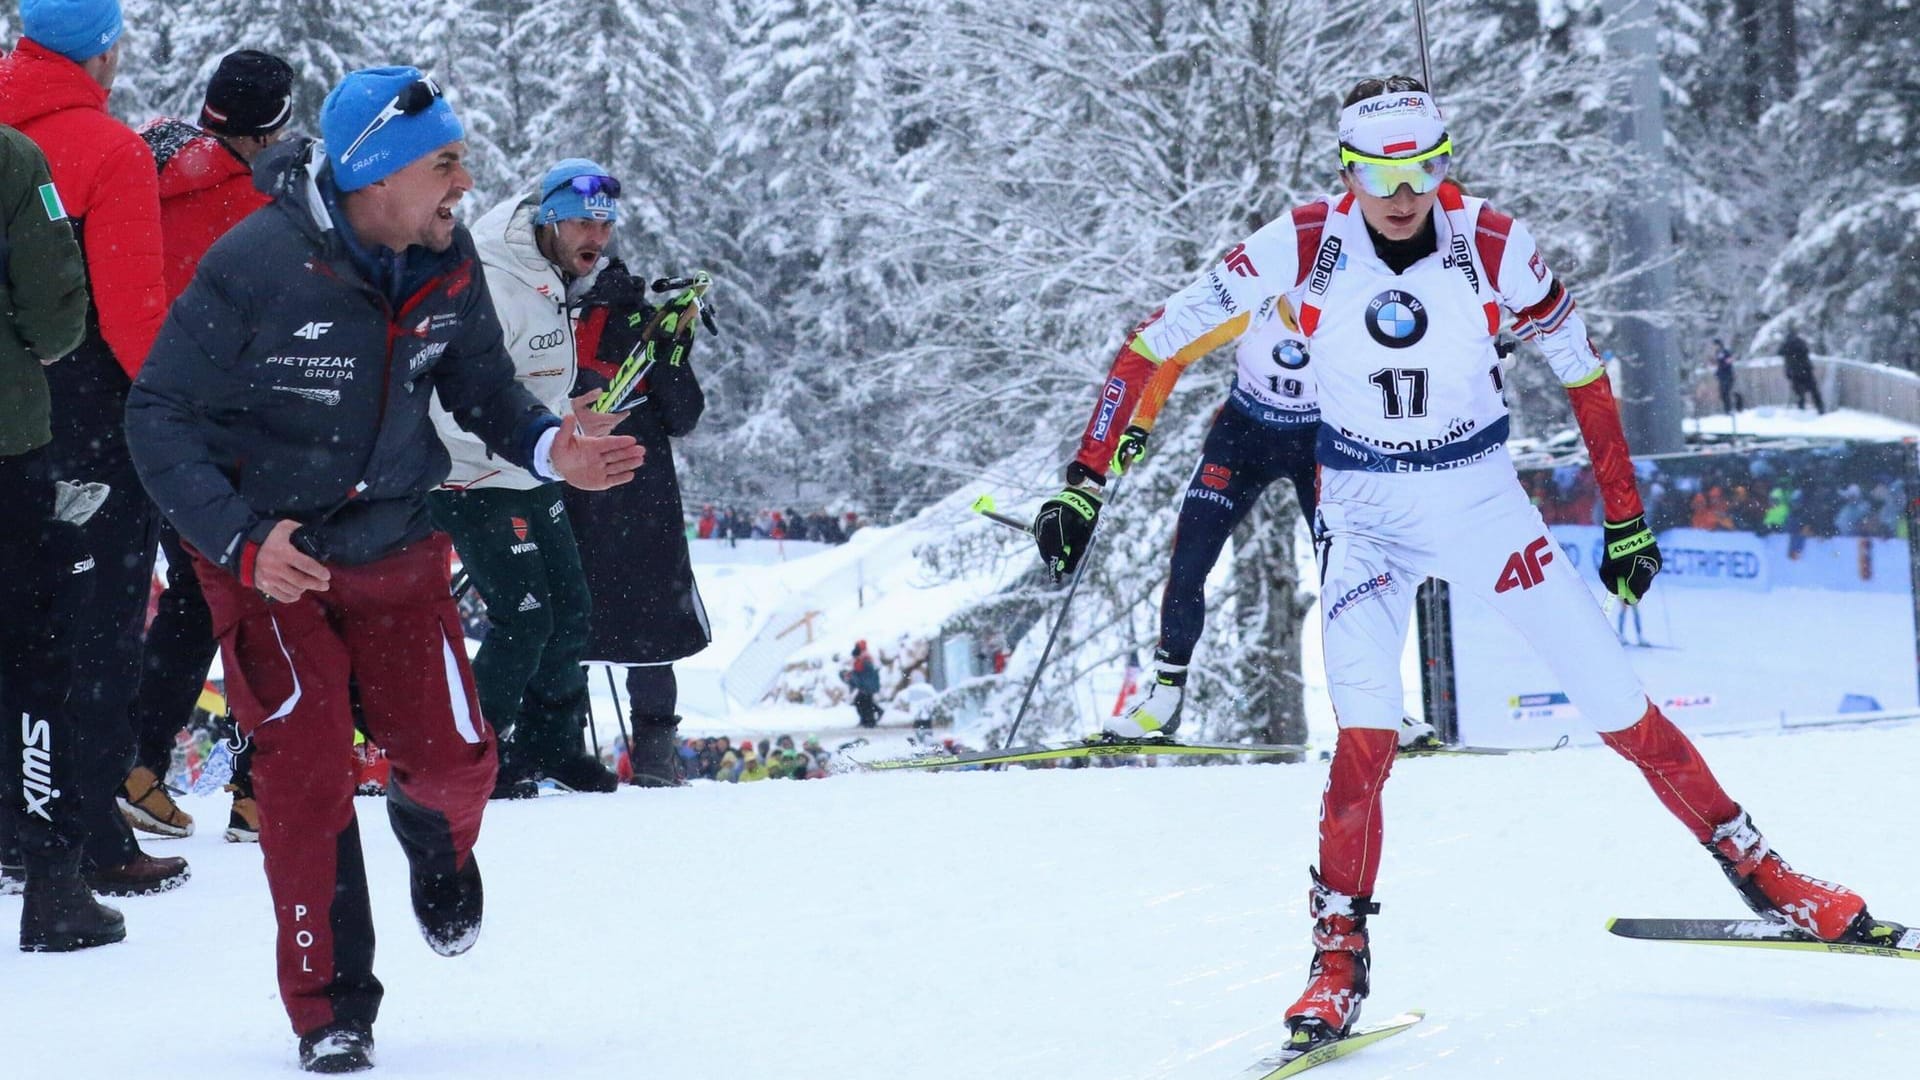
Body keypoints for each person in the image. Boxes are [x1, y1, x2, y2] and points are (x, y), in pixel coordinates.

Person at [1035, 75, 1880, 1053]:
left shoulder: (1492, 245)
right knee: (1362, 744)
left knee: (1623, 711)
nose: (1403, 193)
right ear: (1348, 171)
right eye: (1380, 173)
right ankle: (1337, 960)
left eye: (1424, 169)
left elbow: (1584, 372)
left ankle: (1768, 880)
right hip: (1366, 516)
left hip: (1483, 507)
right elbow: (1153, 345)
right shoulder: (1302, 243)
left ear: (1447, 162)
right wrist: (1084, 479)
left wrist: (1626, 519)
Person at [124, 65, 645, 1073]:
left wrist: (553, 450)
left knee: (460, 762)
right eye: (446, 162)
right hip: (275, 565)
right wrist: (239, 539)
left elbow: (486, 389)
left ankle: (427, 825)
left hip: (399, 544)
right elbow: (158, 414)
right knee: (307, 776)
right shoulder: (256, 264)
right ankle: (330, 1012)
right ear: (378, 174)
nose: (465, 182)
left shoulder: (445, 263)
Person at [0, 0, 189, 898]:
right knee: (98, 621)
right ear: (104, 52)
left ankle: (14, 817)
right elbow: (132, 312)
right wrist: (178, 410)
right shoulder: (108, 148)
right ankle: (84, 827)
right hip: (80, 412)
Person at [123, 47, 296, 845]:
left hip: (139, 413)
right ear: (266, 132)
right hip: (231, 428)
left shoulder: (147, 159)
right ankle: (260, 786)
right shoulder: (255, 208)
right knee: (260, 594)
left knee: (182, 600)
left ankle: (137, 760)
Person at [428, 157, 632, 798]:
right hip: (472, 474)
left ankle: (552, 748)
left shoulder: (551, 275)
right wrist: (541, 433)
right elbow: (447, 398)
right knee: (526, 618)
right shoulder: (494, 279)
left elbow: (530, 380)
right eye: (579, 223)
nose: (594, 239)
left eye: (604, 224)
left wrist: (571, 416)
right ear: (547, 220)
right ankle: (480, 755)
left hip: (529, 468)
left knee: (571, 611)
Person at [0, 120, 127, 950]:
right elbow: (55, 316)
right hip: (6, 438)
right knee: (31, 656)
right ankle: (48, 876)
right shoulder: (14, 160)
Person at [1089, 293, 1322, 737]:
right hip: (1243, 439)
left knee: (1348, 568)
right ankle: (1164, 697)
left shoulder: (1351, 318)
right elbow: (1173, 355)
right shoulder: (1259, 308)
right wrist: (1140, 425)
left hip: (1317, 441)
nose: (1313, 312)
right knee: (1189, 560)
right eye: (1305, 298)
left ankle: (1379, 705)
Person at [566, 247, 713, 787]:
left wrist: (671, 353)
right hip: (624, 491)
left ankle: (576, 751)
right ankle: (647, 759)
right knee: (641, 629)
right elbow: (682, 414)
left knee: (576, 626)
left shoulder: (616, 316)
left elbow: (680, 412)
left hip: (601, 487)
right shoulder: (625, 316)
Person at [1780, 324, 1823, 413]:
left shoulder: (1786, 345)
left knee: (1799, 392)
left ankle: (1801, 410)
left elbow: (1780, 352)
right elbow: (1806, 351)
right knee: (1813, 391)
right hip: (1805, 371)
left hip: (1794, 373)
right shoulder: (1800, 342)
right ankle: (1820, 408)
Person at [843, 640, 881, 728]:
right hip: (866, 686)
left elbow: (863, 674)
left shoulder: (864, 659)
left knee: (865, 703)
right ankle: (867, 720)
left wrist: (853, 675)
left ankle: (869, 721)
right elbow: (859, 673)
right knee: (864, 702)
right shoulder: (863, 658)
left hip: (867, 686)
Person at [1710, 337, 1738, 415]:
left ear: (1718, 345)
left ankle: (1730, 409)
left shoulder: (1724, 352)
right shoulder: (1718, 353)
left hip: (1727, 376)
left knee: (1725, 393)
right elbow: (1720, 365)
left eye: (1715, 345)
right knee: (1723, 394)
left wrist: (1722, 365)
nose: (1714, 347)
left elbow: (1728, 362)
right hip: (1722, 376)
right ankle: (1727, 410)